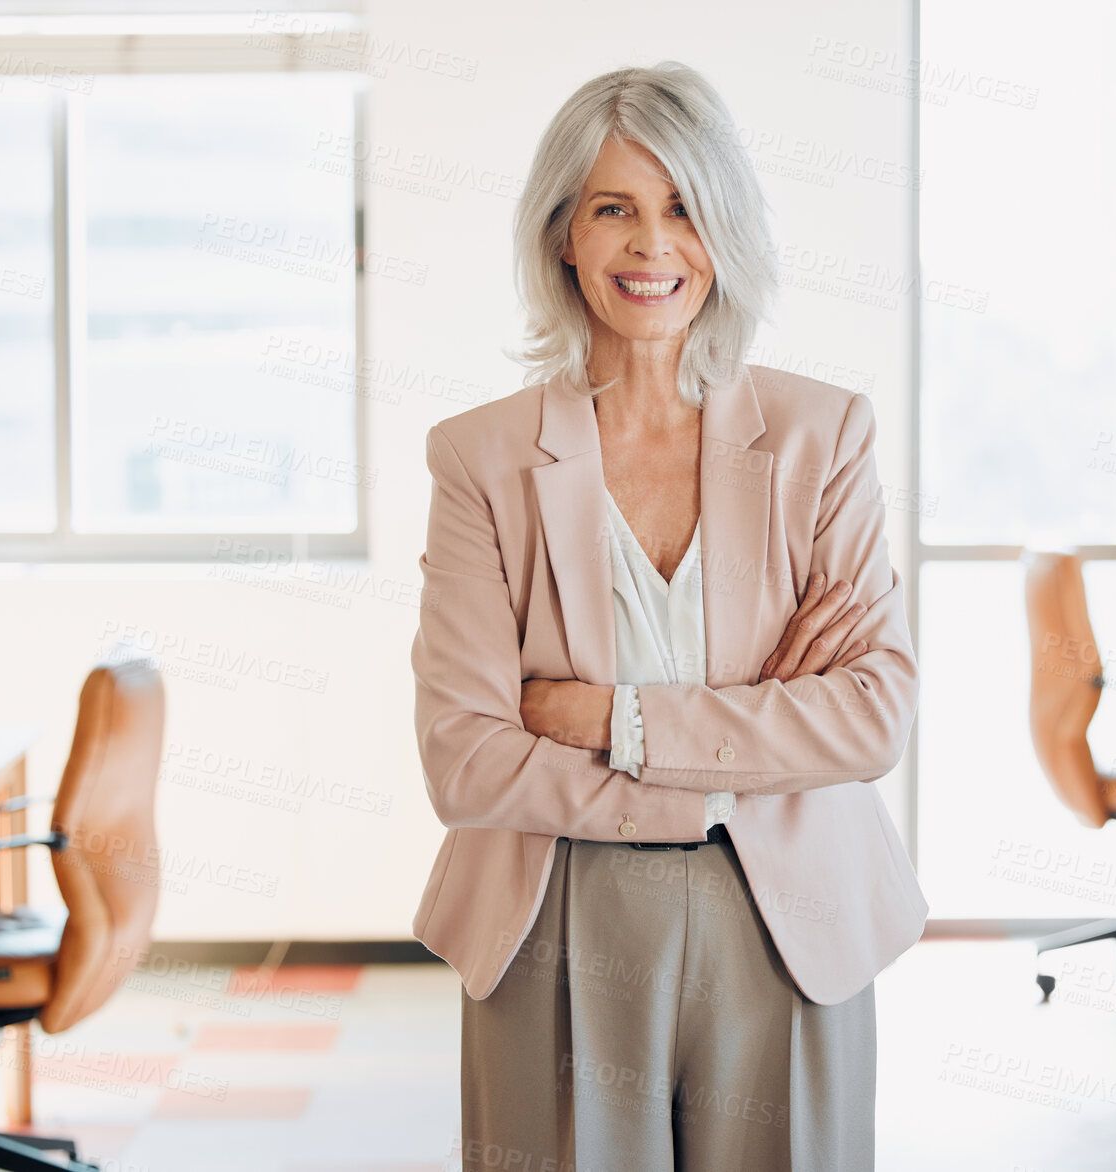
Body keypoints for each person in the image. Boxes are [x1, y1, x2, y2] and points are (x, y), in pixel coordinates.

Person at [410, 60, 926, 1172]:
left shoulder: (820, 438)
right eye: (615, 209)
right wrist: (747, 740)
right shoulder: (479, 459)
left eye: (684, 207)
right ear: (562, 235)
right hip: (554, 915)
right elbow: (464, 758)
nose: (653, 246)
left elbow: (872, 715)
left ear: (725, 227)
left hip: (788, 914)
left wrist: (615, 719)